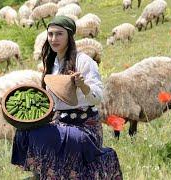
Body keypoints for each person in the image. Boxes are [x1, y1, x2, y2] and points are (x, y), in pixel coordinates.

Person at [11, 15, 122, 179]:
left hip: (85, 126)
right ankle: (44, 173)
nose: (53, 39)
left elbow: (98, 97)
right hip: (59, 123)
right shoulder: (51, 64)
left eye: (59, 34)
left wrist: (83, 86)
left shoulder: (84, 61)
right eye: (50, 34)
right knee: (23, 133)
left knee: (42, 135)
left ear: (69, 36)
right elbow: (51, 101)